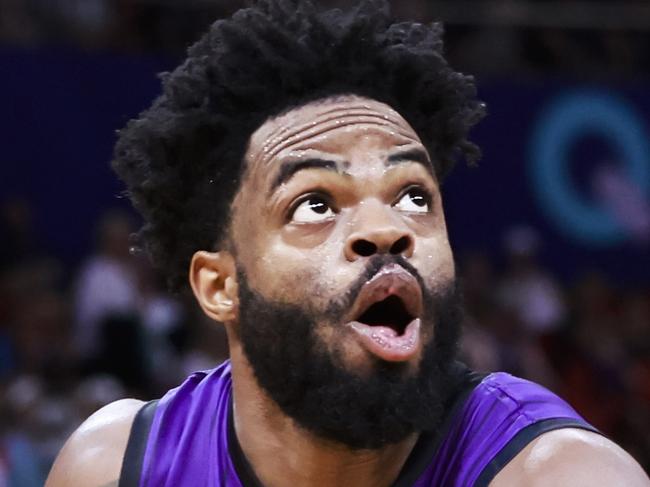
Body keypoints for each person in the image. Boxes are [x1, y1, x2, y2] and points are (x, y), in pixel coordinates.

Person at [46, 1, 650, 486]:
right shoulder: (115, 468)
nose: (386, 230)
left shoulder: (561, 474)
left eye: (414, 196)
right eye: (315, 205)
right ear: (221, 285)